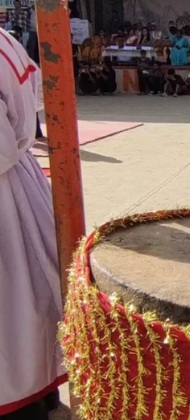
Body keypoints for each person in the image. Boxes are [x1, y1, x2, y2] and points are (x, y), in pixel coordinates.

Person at [0, 26, 65, 419]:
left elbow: (24, 118)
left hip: (7, 193)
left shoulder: (2, 44)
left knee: (23, 297)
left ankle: (35, 394)